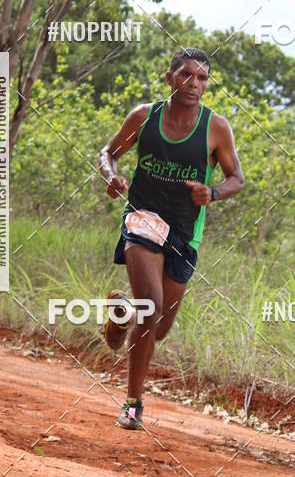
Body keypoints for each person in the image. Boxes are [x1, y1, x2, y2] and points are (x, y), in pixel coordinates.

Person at [98, 47, 244, 429]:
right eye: (186, 75)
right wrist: (110, 176)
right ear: (170, 78)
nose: (194, 84)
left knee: (158, 326)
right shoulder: (144, 117)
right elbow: (108, 152)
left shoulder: (216, 128)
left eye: (201, 78)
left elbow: (236, 179)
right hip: (143, 219)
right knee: (152, 311)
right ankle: (132, 406)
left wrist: (212, 193)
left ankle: (122, 309)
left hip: (183, 232)